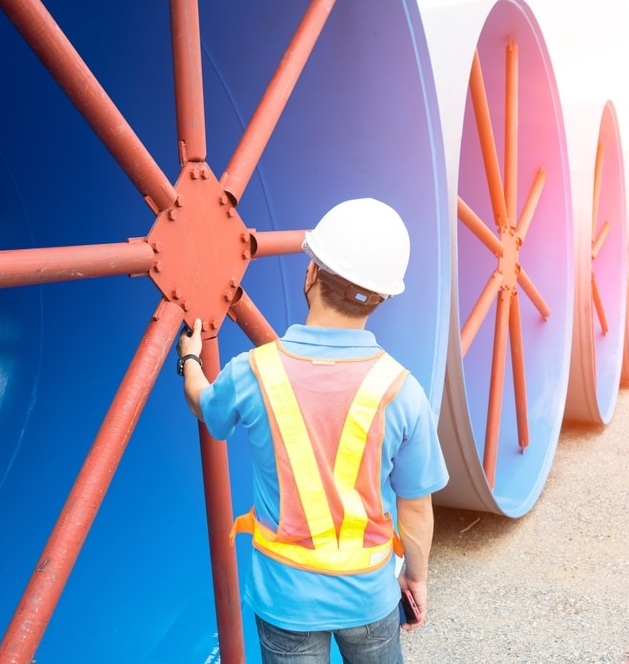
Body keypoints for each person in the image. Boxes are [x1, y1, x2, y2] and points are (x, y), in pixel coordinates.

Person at [177, 198, 448, 663]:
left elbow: (205, 407)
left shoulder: (253, 372)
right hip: (369, 596)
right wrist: (415, 578)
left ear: (310, 274)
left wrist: (190, 359)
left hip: (285, 599)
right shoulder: (401, 389)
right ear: (381, 298)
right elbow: (417, 510)